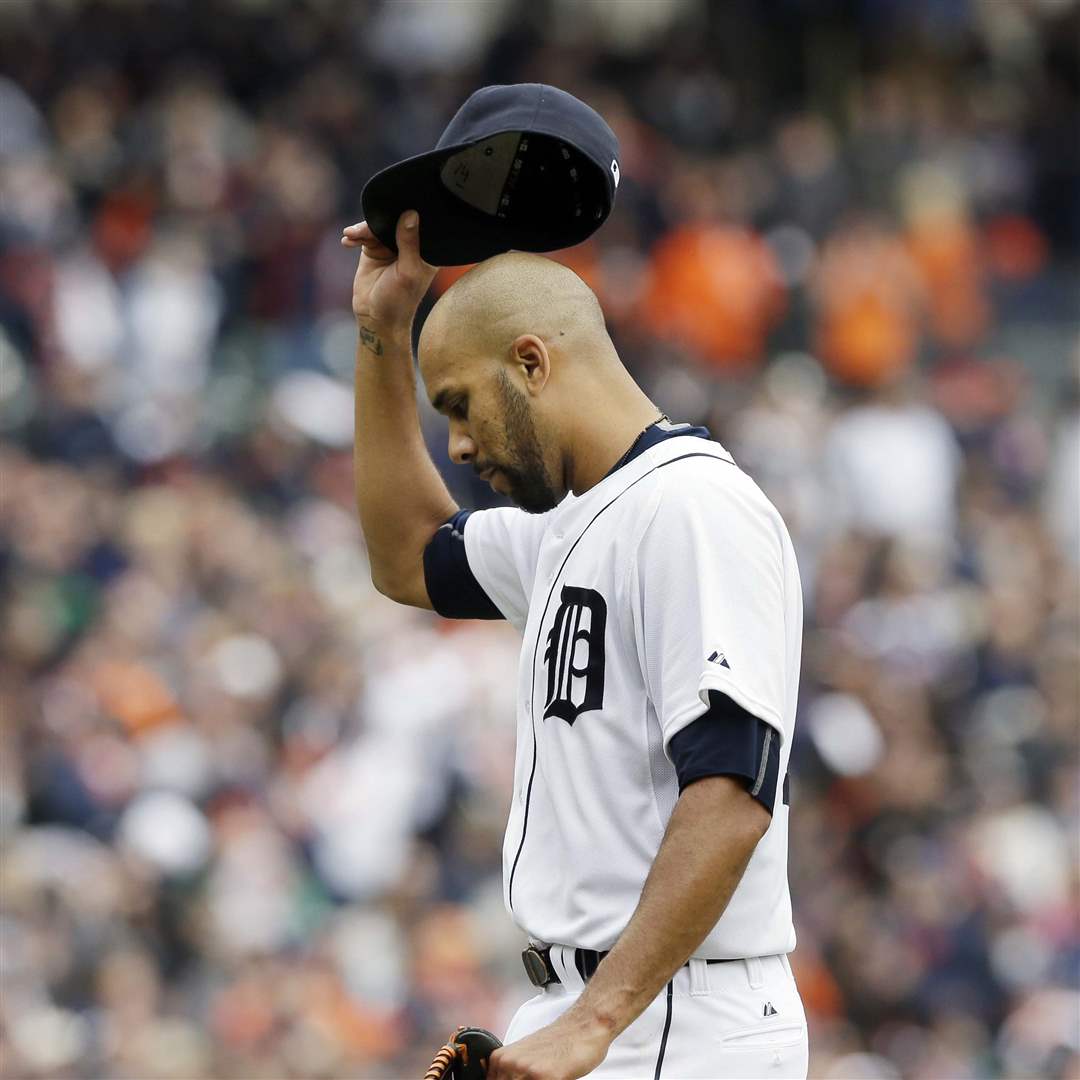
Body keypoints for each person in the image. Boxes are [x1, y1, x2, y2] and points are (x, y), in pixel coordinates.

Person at [343, 210, 808, 1080]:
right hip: (618, 1003)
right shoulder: (571, 521)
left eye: (459, 403)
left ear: (530, 361)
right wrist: (380, 332)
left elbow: (733, 787)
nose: (459, 443)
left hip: (676, 1014)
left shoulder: (693, 507)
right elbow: (408, 557)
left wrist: (597, 1017)